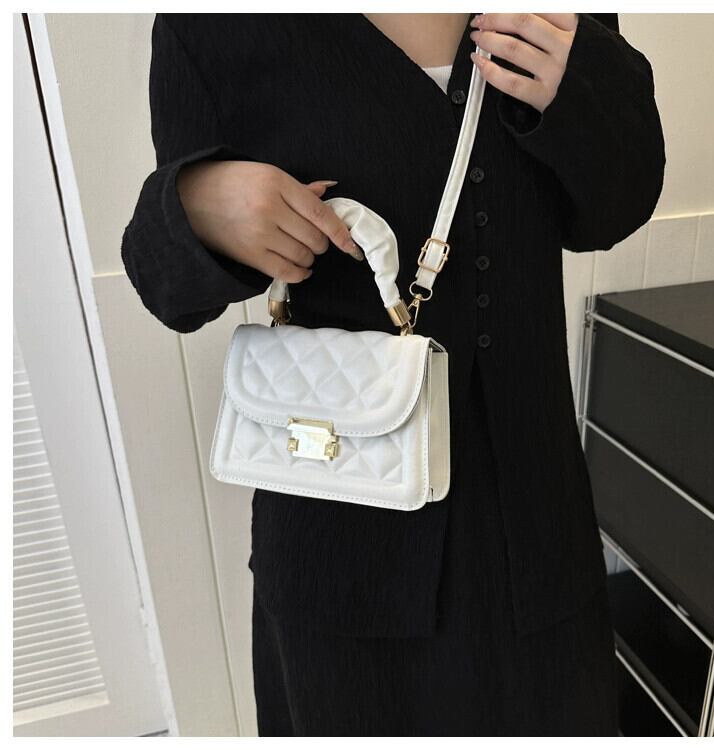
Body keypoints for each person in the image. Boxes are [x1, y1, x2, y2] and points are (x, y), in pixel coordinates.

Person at [121, 12, 665, 736]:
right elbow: (168, 291)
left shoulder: (555, 14)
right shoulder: (213, 24)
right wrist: (197, 205)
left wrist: (585, 87)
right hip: (340, 543)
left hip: (534, 527)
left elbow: (613, 210)